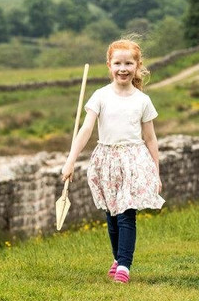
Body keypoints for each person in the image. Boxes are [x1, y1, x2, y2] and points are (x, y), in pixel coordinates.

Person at [61, 39, 164, 284]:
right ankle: (118, 257)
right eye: (118, 63)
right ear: (109, 65)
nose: (123, 68)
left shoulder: (142, 100)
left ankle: (124, 266)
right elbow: (85, 130)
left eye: (129, 63)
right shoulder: (100, 96)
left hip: (133, 160)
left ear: (137, 66)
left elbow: (150, 138)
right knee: (112, 214)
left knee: (127, 212)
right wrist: (70, 161)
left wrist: (156, 172)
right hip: (105, 160)